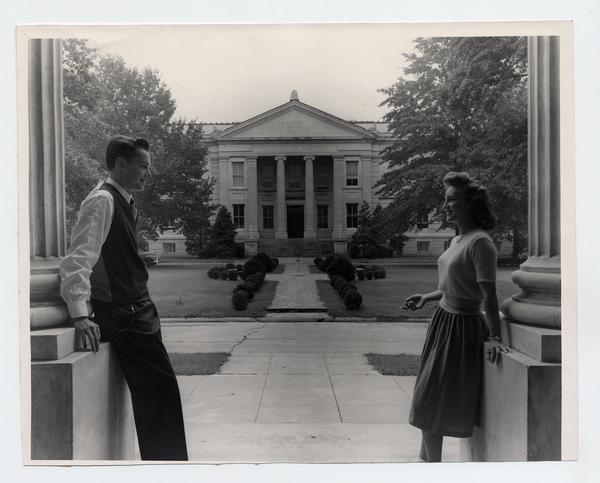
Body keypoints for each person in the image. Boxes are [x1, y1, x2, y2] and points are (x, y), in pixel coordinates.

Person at [59, 135, 188, 461]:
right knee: (161, 400)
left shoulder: (123, 200)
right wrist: (79, 314)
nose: (148, 173)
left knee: (162, 400)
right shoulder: (102, 201)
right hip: (124, 316)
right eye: (142, 166)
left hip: (137, 312)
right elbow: (78, 258)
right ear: (120, 164)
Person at [403, 171, 510, 463]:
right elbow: (449, 287)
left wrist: (495, 337)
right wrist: (427, 297)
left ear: (470, 204)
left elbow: (488, 297)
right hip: (442, 323)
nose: (444, 205)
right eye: (445, 199)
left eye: (451, 200)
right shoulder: (457, 240)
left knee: (429, 407)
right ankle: (426, 465)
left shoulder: (481, 244)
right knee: (427, 405)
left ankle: (432, 470)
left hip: (461, 330)